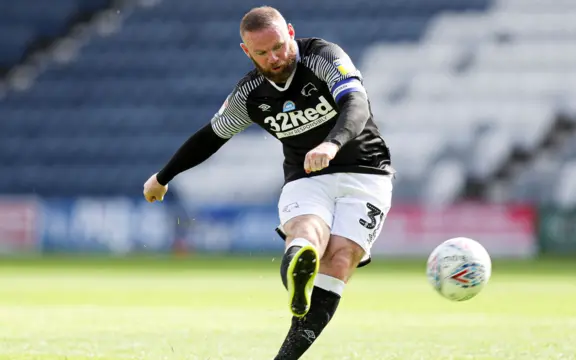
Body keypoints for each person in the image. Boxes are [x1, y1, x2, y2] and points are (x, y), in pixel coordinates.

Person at [143, 6, 394, 359]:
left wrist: (331, 143)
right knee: (308, 232)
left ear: (290, 32)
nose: (274, 58)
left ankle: (288, 336)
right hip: (306, 177)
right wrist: (162, 177)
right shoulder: (250, 93)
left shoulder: (322, 56)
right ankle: (299, 260)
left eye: (279, 46)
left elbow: (356, 102)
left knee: (339, 260)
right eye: (262, 53)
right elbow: (212, 135)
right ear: (247, 51)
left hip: (367, 172)